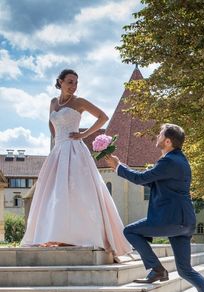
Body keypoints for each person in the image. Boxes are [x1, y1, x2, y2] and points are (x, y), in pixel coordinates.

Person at [104, 124, 204, 292]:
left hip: (170, 220)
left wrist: (118, 167)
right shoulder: (178, 160)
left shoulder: (169, 162)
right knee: (185, 270)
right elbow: (149, 180)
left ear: (168, 141)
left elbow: (142, 178)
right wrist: (123, 167)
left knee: (130, 231)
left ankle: (157, 269)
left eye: (161, 134)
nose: (157, 136)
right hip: (184, 222)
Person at [21, 69, 132, 258]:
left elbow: (102, 117)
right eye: (70, 82)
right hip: (58, 150)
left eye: (76, 83)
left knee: (78, 191)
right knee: (55, 194)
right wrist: (57, 137)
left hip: (74, 150)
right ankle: (58, 234)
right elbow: (51, 123)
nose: (73, 86)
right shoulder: (53, 103)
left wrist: (83, 135)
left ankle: (83, 235)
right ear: (60, 82)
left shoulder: (79, 102)